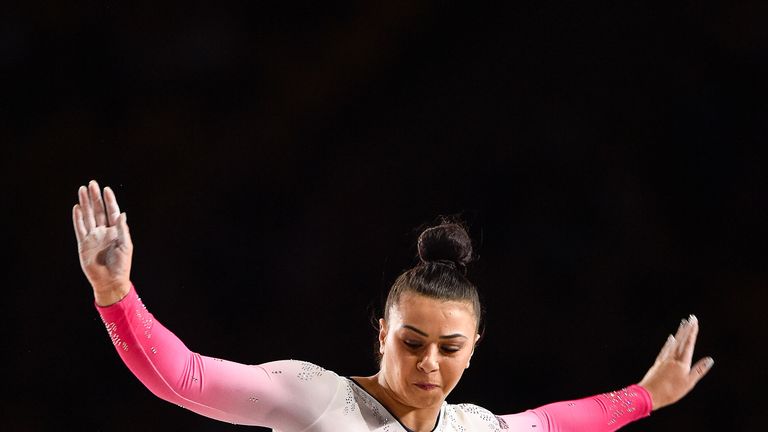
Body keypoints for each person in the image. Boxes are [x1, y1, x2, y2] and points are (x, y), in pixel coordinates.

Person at [73, 180, 714, 431]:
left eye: (449, 348)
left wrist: (648, 395)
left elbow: (562, 422)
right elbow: (183, 379)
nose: (428, 363)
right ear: (381, 332)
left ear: (474, 350)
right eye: (411, 341)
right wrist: (114, 293)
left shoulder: (475, 430)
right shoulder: (313, 398)